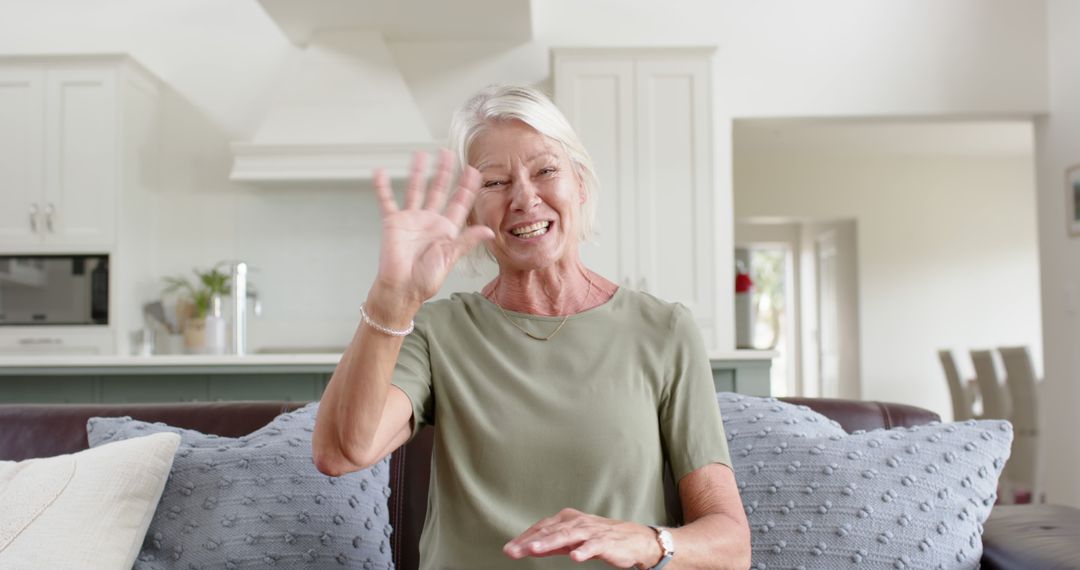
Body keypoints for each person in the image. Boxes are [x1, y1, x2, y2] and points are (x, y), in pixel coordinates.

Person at [313, 85, 751, 569]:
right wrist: (392, 300)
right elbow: (342, 453)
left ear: (579, 184)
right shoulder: (438, 331)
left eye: (545, 170)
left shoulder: (664, 330)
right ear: (474, 210)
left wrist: (649, 542)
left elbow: (730, 546)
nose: (524, 198)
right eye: (495, 183)